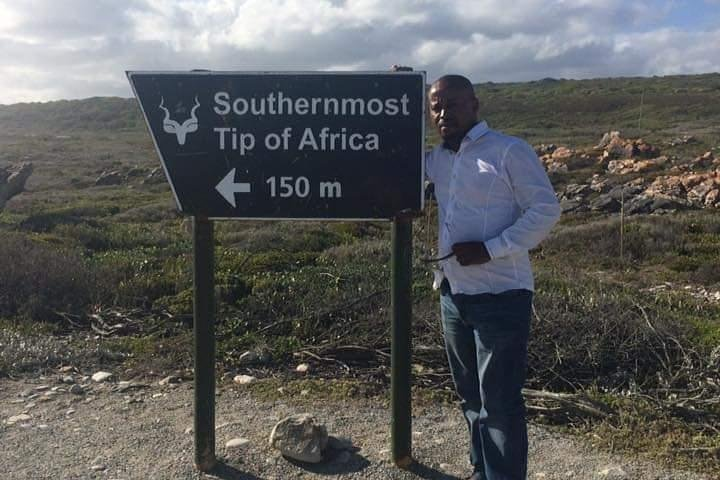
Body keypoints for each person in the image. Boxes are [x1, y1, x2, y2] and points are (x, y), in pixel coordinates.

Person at [424, 74, 561, 480]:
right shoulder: (437, 159)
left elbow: (544, 210)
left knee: (498, 403)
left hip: (502, 294)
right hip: (452, 293)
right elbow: (390, 170)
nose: (443, 112)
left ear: (475, 105)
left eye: (452, 103)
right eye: (435, 105)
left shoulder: (507, 151)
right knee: (470, 398)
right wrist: (397, 93)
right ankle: (482, 470)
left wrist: (490, 248)